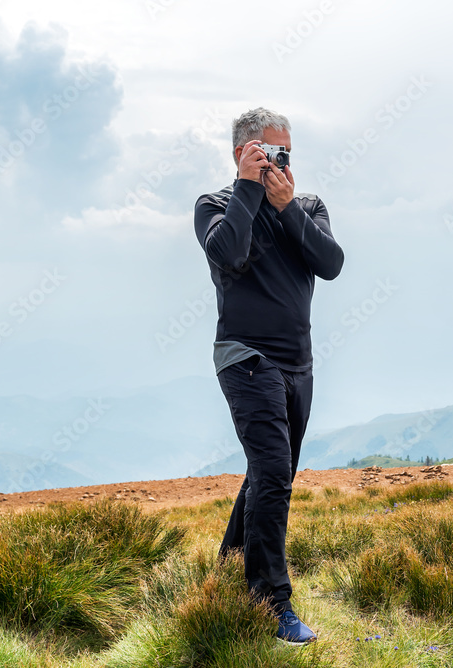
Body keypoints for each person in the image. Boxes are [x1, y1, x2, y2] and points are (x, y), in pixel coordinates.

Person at [193, 107, 344, 645]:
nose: (281, 160)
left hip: (299, 365)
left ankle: (227, 572)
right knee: (275, 471)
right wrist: (249, 191)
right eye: (269, 151)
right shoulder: (215, 206)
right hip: (244, 357)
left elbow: (330, 263)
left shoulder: (306, 207)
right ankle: (270, 604)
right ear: (242, 154)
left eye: (286, 151)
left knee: (268, 474)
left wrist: (286, 208)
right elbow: (227, 254)